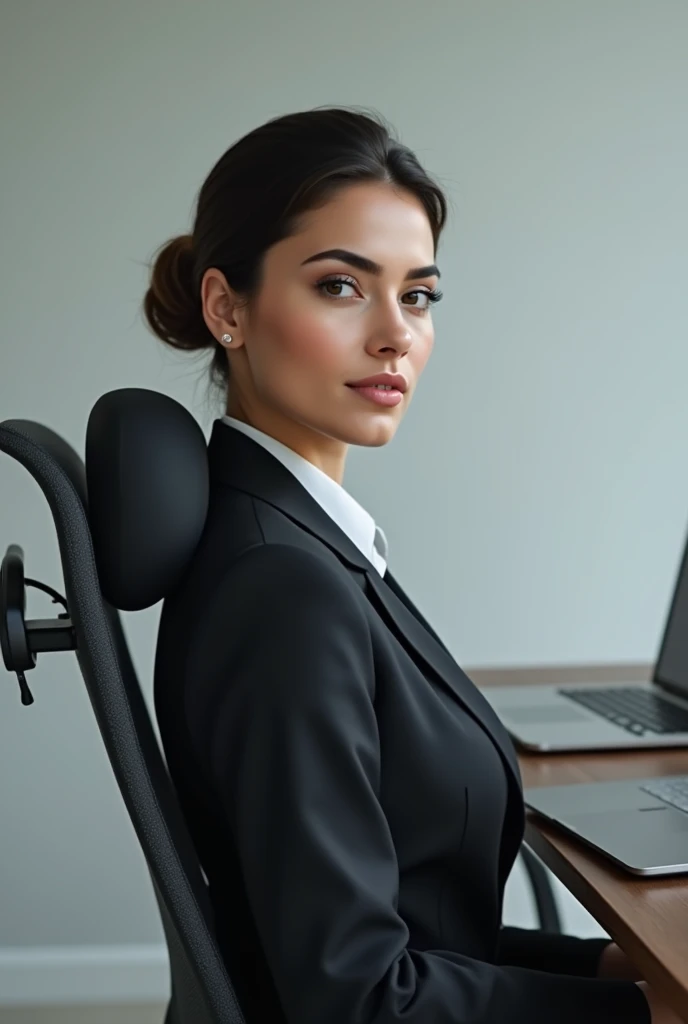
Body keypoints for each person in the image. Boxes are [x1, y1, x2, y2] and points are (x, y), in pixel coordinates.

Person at [144, 106, 675, 1024]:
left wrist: (620, 976)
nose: (395, 334)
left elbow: (418, 931)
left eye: (418, 294)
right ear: (228, 307)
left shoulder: (301, 543)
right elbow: (356, 998)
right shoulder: (282, 589)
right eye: (342, 287)